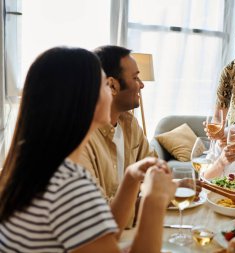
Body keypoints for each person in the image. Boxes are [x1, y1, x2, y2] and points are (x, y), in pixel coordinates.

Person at [0, 47, 176, 253]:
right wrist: (154, 201)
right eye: (104, 84)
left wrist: (130, 178)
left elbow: (105, 239)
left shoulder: (36, 168)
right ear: (83, 99)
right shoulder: (70, 187)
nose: (110, 89)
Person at [80, 45, 157, 202]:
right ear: (112, 86)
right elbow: (100, 211)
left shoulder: (130, 124)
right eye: (135, 78)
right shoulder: (83, 139)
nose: (141, 85)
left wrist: (174, 188)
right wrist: (155, 198)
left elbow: (154, 171)